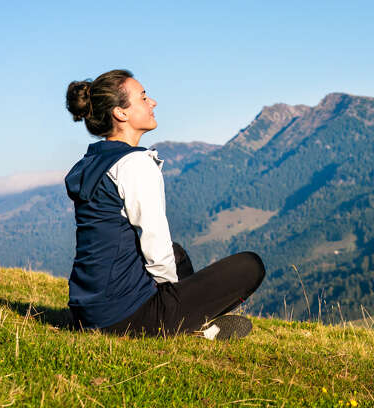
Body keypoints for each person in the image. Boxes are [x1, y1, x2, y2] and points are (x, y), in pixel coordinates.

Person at [64, 69, 265, 339]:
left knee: (176, 253)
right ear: (121, 113)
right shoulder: (135, 164)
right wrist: (178, 301)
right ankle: (190, 326)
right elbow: (154, 244)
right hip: (122, 318)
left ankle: (190, 321)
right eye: (143, 98)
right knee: (251, 266)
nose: (153, 103)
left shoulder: (93, 162)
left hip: (87, 312)